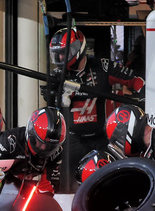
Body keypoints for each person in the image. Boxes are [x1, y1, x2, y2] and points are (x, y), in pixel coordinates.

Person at [45, 26, 143, 173]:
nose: (60, 59)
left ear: (78, 49)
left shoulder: (102, 67)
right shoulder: (56, 76)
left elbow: (137, 81)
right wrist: (54, 95)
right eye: (57, 55)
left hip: (103, 139)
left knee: (111, 176)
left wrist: (144, 98)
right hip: (73, 140)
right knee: (67, 182)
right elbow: (51, 108)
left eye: (64, 53)